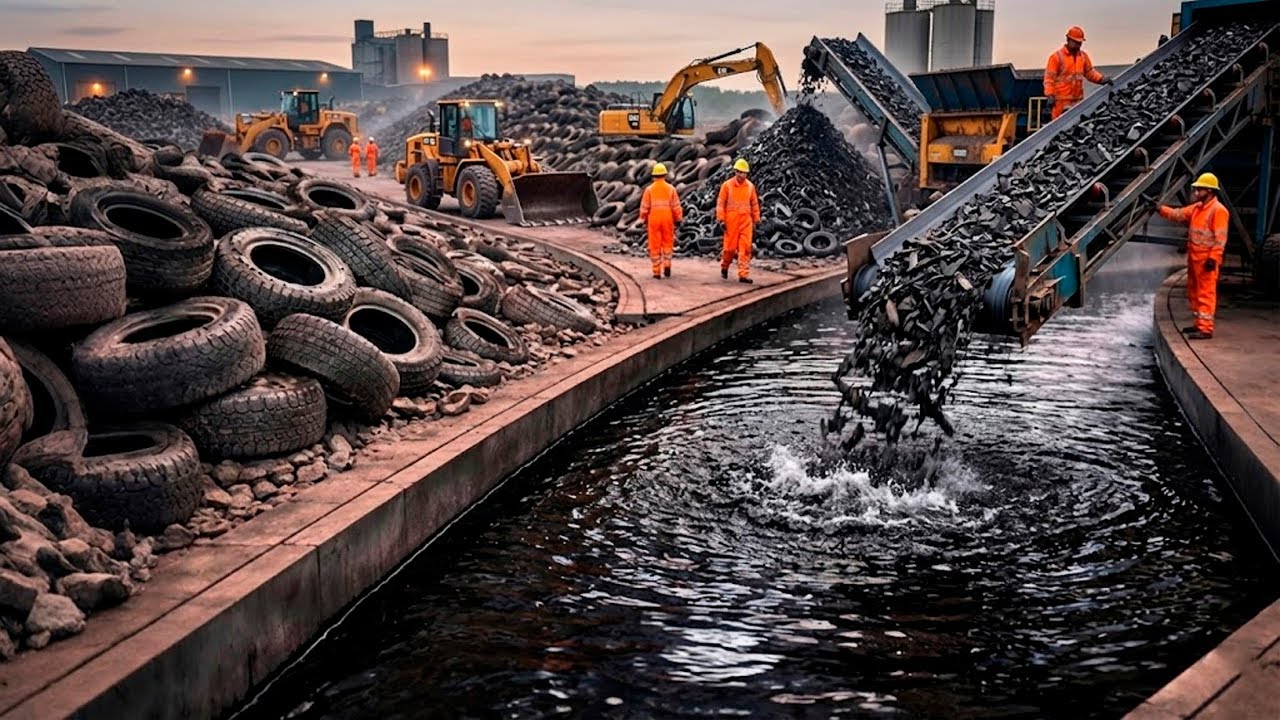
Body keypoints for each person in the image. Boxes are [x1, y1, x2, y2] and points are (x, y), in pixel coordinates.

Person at [1154, 173, 1229, 339]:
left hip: (1206, 260)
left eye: (1199, 189)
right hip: (1195, 258)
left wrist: (1213, 259)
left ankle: (1205, 328)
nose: (1196, 193)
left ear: (1209, 191)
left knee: (1205, 293)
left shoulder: (1219, 211)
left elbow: (1220, 238)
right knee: (1194, 292)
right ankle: (1199, 324)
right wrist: (1159, 209)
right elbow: (1178, 214)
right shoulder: (1197, 208)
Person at [1044, 26, 1113, 120]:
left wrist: (1101, 79)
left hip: (1077, 102)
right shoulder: (1056, 57)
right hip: (1061, 102)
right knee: (1059, 128)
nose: (1078, 45)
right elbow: (1049, 79)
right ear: (1068, 39)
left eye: (1080, 43)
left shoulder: (1083, 57)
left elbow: (1090, 73)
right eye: (1076, 42)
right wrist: (1050, 95)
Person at [716, 158, 760, 284]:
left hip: (746, 221)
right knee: (729, 249)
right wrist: (721, 220)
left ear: (747, 173)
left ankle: (743, 275)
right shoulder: (727, 186)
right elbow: (720, 204)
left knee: (745, 248)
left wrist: (757, 219)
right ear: (735, 172)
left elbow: (754, 204)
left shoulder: (750, 187)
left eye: (743, 172)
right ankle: (725, 266)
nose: (741, 175)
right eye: (739, 172)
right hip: (731, 222)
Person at [639, 163, 682, 279]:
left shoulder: (649, 190)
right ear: (665, 175)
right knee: (668, 242)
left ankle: (656, 271)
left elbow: (644, 207)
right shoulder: (671, 189)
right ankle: (667, 265)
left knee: (655, 245)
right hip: (668, 219)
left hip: (654, 219)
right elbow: (676, 206)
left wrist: (643, 219)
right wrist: (678, 219)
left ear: (653, 176)